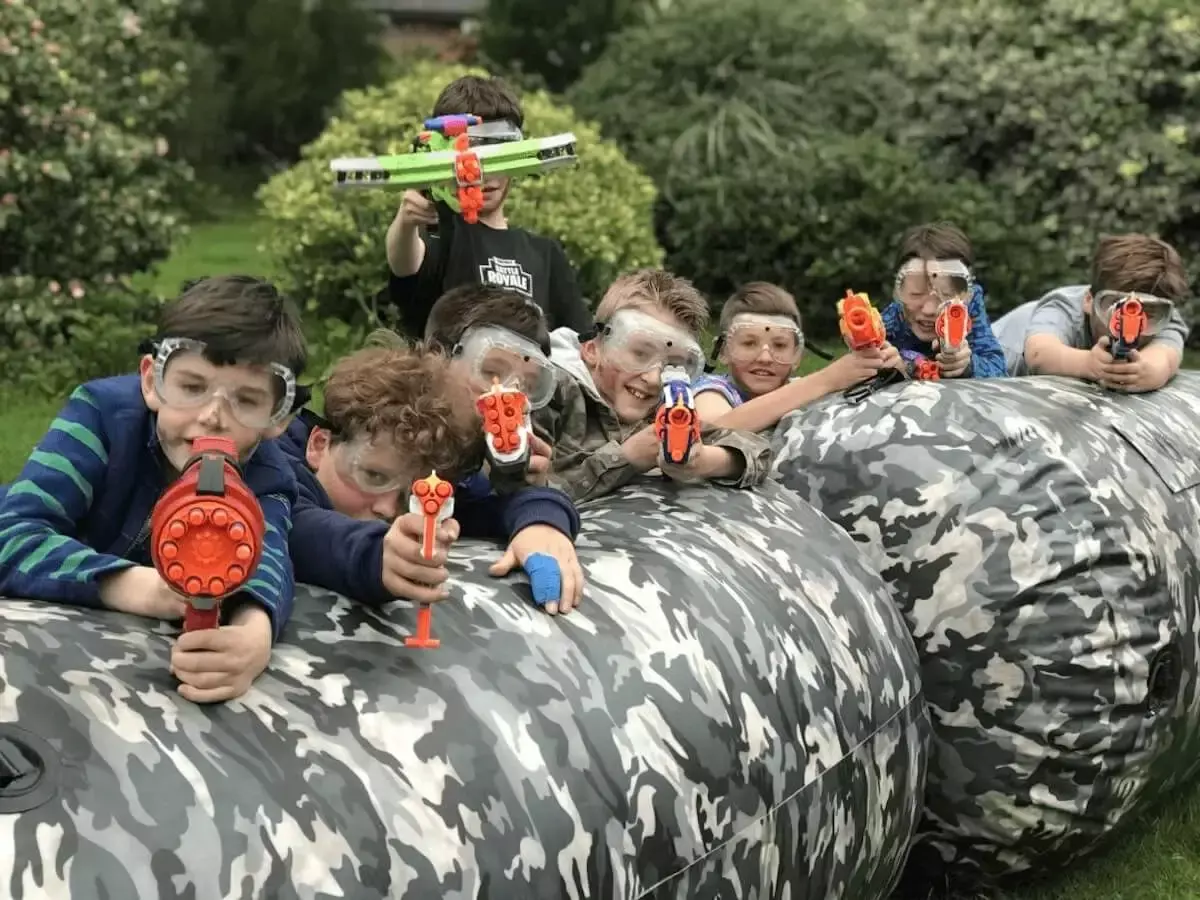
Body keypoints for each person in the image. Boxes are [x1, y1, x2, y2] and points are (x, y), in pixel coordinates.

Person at [0, 276, 307, 703]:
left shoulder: (267, 476)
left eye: (247, 400)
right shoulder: (102, 416)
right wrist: (152, 590)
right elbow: (11, 537)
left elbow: (268, 560)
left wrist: (255, 634)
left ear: (279, 418)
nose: (212, 417)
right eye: (192, 387)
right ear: (151, 381)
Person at [278, 338, 585, 616]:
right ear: (319, 444)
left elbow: (493, 503)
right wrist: (377, 557)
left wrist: (540, 523)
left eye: (410, 495)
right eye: (373, 476)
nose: (387, 509)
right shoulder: (274, 470)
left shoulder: (429, 489)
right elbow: (295, 527)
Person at [380, 74, 592, 338]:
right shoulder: (439, 232)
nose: (486, 175)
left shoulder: (546, 254)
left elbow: (580, 342)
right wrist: (406, 220)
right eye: (476, 158)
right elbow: (405, 264)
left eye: (499, 159)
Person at [539, 268, 774, 502]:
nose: (653, 378)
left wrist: (704, 461)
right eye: (640, 354)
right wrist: (626, 459)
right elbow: (525, 496)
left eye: (672, 365)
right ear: (592, 349)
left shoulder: (663, 411)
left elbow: (759, 452)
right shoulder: (550, 394)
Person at [993, 234, 1191, 390]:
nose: (1134, 322)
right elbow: (1039, 353)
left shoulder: (1166, 317)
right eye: (1116, 307)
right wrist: (1087, 363)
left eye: (1149, 313)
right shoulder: (1064, 306)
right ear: (1089, 300)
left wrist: (1143, 371)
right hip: (997, 355)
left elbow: (1164, 358)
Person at [690, 282, 887, 433]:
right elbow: (712, 430)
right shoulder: (711, 391)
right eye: (749, 343)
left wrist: (882, 367)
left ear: (797, 355)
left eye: (780, 345)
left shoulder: (804, 389)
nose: (765, 357)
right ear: (723, 350)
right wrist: (827, 380)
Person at [424, 282, 560, 491]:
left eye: (526, 386)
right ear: (435, 358)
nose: (509, 395)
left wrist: (530, 491)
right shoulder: (388, 436)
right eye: (492, 373)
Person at [879, 223, 1007, 378]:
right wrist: (891, 370)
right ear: (899, 291)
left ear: (966, 294)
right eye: (916, 294)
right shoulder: (892, 319)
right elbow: (862, 367)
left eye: (945, 296)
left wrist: (968, 365)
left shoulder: (970, 308)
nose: (929, 309)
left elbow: (999, 369)